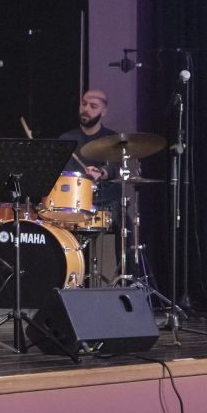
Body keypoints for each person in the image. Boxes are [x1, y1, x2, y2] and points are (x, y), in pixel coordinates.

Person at [58, 89, 122, 285]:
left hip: (105, 204)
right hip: (74, 206)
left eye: (93, 106)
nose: (86, 109)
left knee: (127, 227)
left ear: (103, 111)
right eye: (84, 104)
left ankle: (123, 282)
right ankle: (67, 280)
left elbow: (117, 169)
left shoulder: (113, 139)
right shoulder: (67, 139)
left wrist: (102, 173)